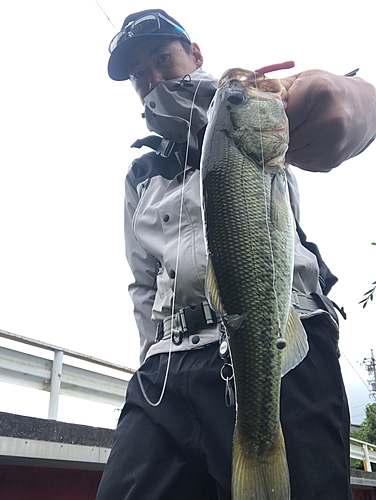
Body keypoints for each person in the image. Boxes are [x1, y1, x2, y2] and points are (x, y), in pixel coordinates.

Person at [95, 9, 376, 500]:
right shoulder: (141, 171)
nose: (153, 79)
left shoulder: (255, 114)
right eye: (140, 75)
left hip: (283, 342)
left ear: (195, 54)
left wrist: (352, 103)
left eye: (164, 58)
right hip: (168, 368)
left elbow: (353, 111)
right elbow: (142, 281)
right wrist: (148, 358)